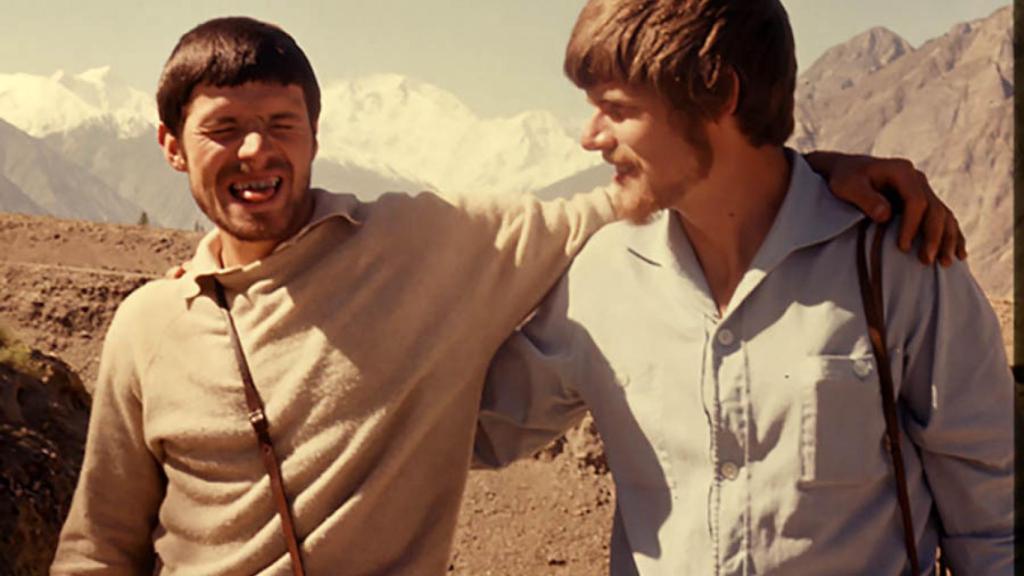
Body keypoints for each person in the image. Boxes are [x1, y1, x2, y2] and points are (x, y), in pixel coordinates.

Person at [51, 15, 965, 575]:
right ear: (171, 145)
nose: (256, 152)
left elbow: (642, 193)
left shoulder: (431, 241)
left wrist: (810, 174)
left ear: (317, 133)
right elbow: (99, 546)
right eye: (224, 131)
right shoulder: (144, 326)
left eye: (279, 124)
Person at [476, 1, 1012, 574]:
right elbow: (474, 430)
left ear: (718, 95)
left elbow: (993, 517)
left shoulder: (895, 263)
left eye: (617, 109)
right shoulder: (602, 275)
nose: (590, 137)